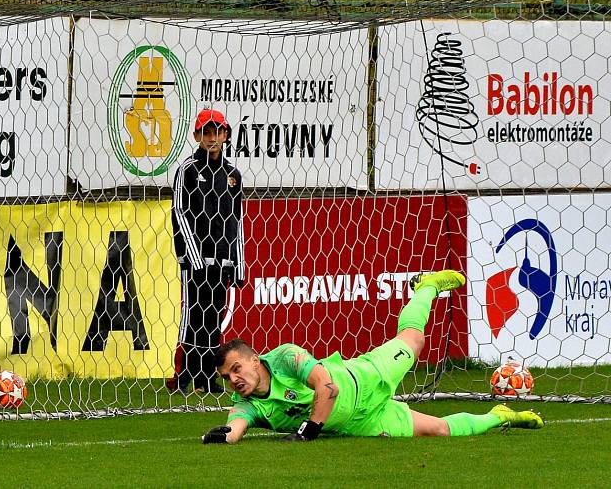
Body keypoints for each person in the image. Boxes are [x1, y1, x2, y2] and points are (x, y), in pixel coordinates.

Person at [202, 270, 544, 443]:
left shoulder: (286, 358)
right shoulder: (244, 401)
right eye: (227, 377)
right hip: (362, 422)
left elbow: (327, 387)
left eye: (236, 369)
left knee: (413, 339)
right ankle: (502, 415)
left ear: (255, 360)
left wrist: (310, 429)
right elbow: (235, 427)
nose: (234, 379)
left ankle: (426, 287)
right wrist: (221, 436)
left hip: (364, 377)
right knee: (439, 430)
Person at [167, 108, 244, 395]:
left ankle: (207, 377)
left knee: (214, 317)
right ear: (197, 135)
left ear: (226, 135)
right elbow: (179, 211)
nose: (213, 138)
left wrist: (239, 263)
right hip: (194, 260)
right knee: (193, 316)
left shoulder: (233, 175)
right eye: (207, 133)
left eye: (218, 132)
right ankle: (184, 374)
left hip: (223, 259)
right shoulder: (187, 170)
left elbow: (237, 220)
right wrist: (194, 254)